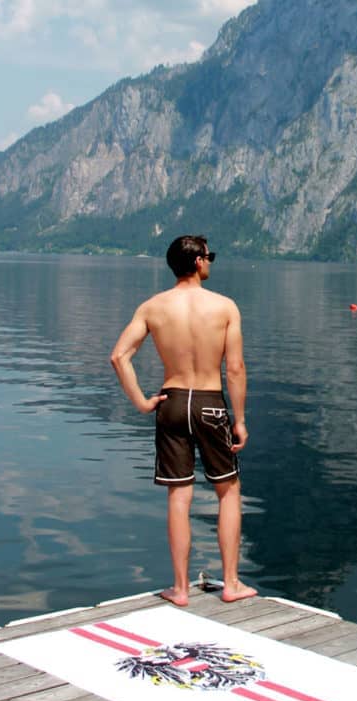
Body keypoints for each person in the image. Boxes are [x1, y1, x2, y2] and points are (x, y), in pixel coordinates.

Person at [110, 235, 256, 606]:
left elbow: (118, 357)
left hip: (171, 401)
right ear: (196, 263)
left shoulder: (153, 307)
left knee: (179, 495)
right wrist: (239, 419)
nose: (211, 262)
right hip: (208, 402)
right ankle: (231, 583)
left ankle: (179, 588)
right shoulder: (224, 307)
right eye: (210, 256)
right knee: (228, 491)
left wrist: (144, 402)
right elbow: (235, 369)